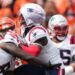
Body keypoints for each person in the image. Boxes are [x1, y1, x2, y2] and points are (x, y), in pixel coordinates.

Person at [0, 3, 75, 75]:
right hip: (41, 66)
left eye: (22, 15)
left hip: (53, 69)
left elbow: (32, 53)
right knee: (18, 70)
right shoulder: (25, 30)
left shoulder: (39, 31)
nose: (20, 17)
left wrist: (16, 44)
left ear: (30, 17)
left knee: (21, 71)